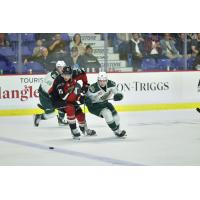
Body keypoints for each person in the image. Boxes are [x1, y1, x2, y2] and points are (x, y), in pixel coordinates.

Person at [49, 65, 96, 139]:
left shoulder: (74, 74)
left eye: (68, 75)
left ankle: (85, 129)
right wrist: (72, 93)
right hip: (57, 99)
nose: (66, 77)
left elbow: (83, 74)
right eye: (64, 74)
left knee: (80, 113)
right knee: (70, 108)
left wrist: (85, 85)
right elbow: (63, 97)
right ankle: (74, 130)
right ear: (62, 73)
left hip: (68, 97)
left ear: (71, 74)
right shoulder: (59, 81)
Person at [85, 72, 126, 138]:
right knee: (107, 113)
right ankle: (117, 131)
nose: (102, 83)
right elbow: (85, 96)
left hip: (105, 103)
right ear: (98, 80)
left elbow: (118, 92)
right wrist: (86, 100)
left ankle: (118, 130)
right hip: (94, 106)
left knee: (116, 116)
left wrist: (119, 95)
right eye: (100, 81)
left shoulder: (111, 84)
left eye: (104, 81)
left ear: (107, 80)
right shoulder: (93, 88)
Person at [33, 60, 68, 127]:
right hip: (45, 97)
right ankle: (38, 116)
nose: (62, 69)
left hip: (50, 96)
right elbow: (48, 88)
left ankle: (61, 120)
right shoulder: (53, 75)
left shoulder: (61, 75)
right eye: (60, 67)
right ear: (57, 68)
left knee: (63, 104)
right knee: (50, 114)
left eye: (63, 67)